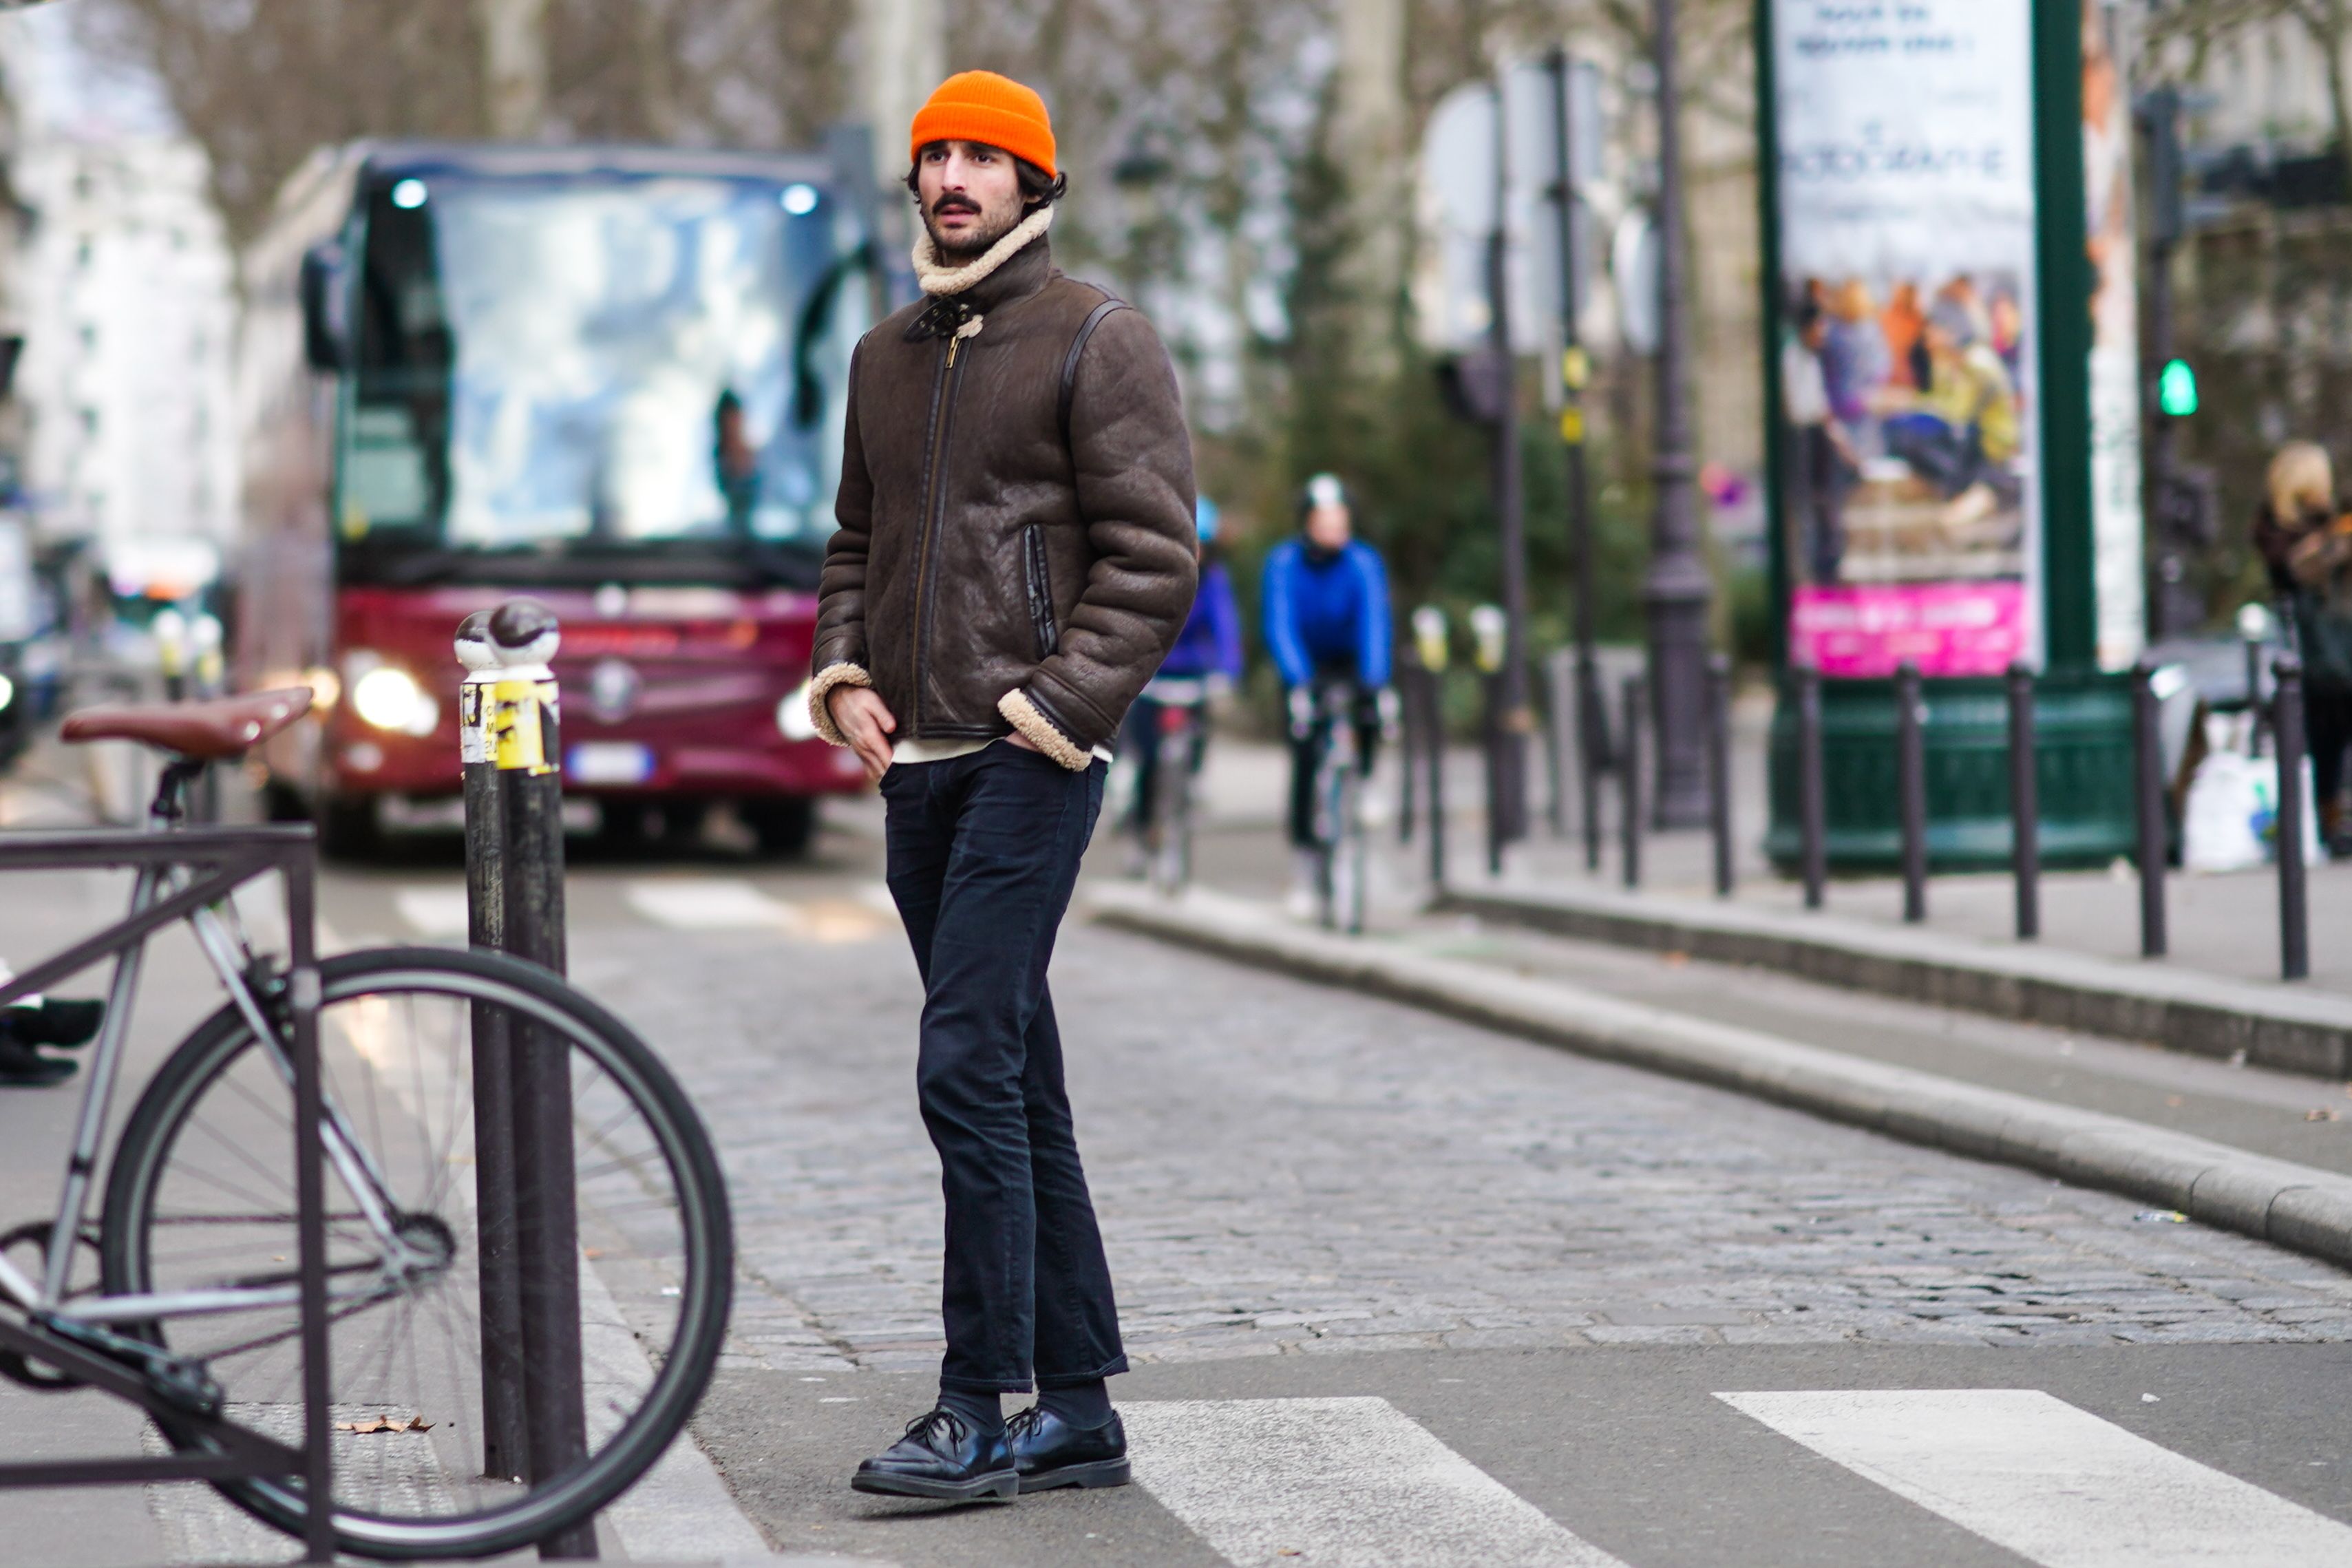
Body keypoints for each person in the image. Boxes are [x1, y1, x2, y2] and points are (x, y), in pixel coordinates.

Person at [807, 70, 1197, 1503]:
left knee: (963, 1059)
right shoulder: (882, 356)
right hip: (918, 763)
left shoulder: (1098, 337)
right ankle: (1080, 1405)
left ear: (1035, 185)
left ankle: (978, 1399)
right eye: (935, 155)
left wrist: (1056, 703)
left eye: (984, 156)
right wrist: (841, 668)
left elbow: (1156, 556)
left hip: (1032, 754)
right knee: (1016, 1072)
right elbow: (857, 541)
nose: (954, 175)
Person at [1260, 473, 1392, 916]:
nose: (1334, 529)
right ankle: (1304, 863)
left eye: (1341, 520)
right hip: (1307, 665)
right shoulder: (1284, 563)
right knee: (1304, 753)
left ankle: (1367, 779)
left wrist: (1374, 680)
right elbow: (1281, 623)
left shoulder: (1363, 563)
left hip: (1349, 661)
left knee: (1371, 712)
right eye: (1325, 521)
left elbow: (1374, 622)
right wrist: (1297, 680)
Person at [1119, 496, 1243, 865]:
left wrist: (1228, 672)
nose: (1197, 553)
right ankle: (1141, 835)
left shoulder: (1216, 581)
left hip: (1193, 679)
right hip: (1152, 677)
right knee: (1148, 762)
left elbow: (1226, 629)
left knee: (1195, 747)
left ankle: (1190, 789)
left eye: (1203, 544)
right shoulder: (1151, 577)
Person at [2254, 441, 2352, 850]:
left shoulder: (2336, 521)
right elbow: (2299, 568)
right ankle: (2329, 820)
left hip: (2333, 646)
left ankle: (2331, 818)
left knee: (2330, 738)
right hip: (2319, 651)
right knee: (2323, 738)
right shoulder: (2279, 532)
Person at [1782, 295, 1859, 585]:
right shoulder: (1791, 359)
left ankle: (1828, 563)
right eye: (1819, 327)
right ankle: (1815, 563)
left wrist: (1842, 443)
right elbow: (1803, 408)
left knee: (1826, 501)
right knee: (1809, 502)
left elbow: (1821, 407)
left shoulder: (1810, 359)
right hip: (1802, 437)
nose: (1823, 334)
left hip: (1816, 437)